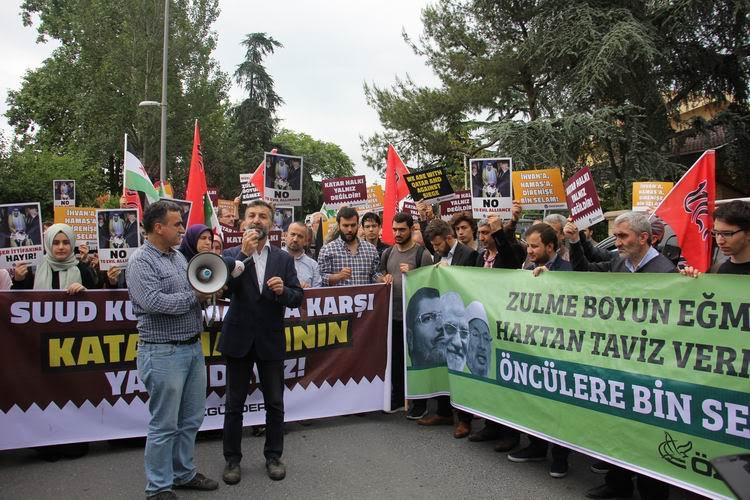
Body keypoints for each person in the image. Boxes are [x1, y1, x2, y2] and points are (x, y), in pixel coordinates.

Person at [564, 212, 674, 499]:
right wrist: (574, 242)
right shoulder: (619, 262)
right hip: (618, 359)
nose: (618, 242)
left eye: (623, 236)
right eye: (617, 236)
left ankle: (652, 490)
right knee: (618, 424)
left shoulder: (666, 272)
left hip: (650, 365)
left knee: (647, 430)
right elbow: (584, 270)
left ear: (644, 238)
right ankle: (618, 482)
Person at [126, 200, 219, 500]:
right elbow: (154, 303)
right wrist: (197, 296)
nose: (182, 229)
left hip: (191, 348)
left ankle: (183, 473)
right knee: (164, 423)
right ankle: (158, 488)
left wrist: (207, 290)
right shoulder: (141, 262)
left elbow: (192, 287)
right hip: (163, 352)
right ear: (158, 227)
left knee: (191, 419)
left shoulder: (178, 257)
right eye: (177, 224)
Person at [219, 200, 303, 485]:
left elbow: (297, 296)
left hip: (270, 340)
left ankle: (274, 456)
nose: (257, 220)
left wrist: (283, 292)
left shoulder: (282, 258)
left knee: (275, 403)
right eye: (252, 215)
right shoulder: (230, 254)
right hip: (238, 339)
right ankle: (232, 460)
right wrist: (243, 255)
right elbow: (221, 288)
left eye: (263, 216)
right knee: (234, 404)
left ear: (272, 223)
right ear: (243, 222)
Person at [504, 223, 572, 478]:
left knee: (559, 405)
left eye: (534, 246)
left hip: (559, 350)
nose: (529, 251)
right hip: (532, 346)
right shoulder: (525, 268)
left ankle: (560, 457)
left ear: (550, 247)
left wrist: (552, 280)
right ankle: (536, 446)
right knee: (533, 399)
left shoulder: (566, 270)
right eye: (528, 245)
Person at [418, 218, 478, 438]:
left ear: (449, 238)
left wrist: (450, 272)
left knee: (459, 366)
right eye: (433, 245)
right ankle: (443, 412)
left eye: (437, 244)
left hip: (459, 320)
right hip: (441, 319)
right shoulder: (437, 254)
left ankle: (464, 419)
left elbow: (470, 285)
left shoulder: (469, 255)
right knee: (441, 362)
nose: (434, 249)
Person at [380, 212, 433, 414]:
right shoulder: (388, 253)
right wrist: (383, 278)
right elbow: (380, 273)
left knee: (417, 360)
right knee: (396, 361)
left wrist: (414, 275)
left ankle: (420, 403)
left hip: (415, 319)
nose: (397, 233)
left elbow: (430, 284)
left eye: (402, 229)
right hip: (393, 317)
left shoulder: (422, 255)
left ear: (411, 229)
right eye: (394, 229)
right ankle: (398, 397)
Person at [12, 223, 97, 292]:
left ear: (72, 244)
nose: (61, 247)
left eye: (66, 242)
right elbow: (17, 301)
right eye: (55, 243)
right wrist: (18, 280)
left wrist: (85, 293)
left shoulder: (83, 269)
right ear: (48, 244)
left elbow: (97, 301)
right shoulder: (35, 267)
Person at [318, 207, 383, 286]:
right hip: (339, 297)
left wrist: (382, 279)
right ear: (339, 226)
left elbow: (375, 274)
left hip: (364, 297)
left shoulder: (370, 249)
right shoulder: (327, 250)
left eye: (353, 225)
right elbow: (320, 278)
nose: (349, 229)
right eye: (345, 225)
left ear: (358, 225)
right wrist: (338, 276)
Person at [682, 200, 750, 276]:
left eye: (727, 234)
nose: (720, 241)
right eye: (716, 233)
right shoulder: (715, 271)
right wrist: (691, 283)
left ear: (748, 233)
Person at [285, 221, 322, 288]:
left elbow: (317, 292)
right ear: (286, 236)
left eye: (300, 236)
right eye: (292, 234)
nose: (295, 239)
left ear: (306, 242)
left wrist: (309, 290)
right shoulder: (274, 258)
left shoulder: (313, 265)